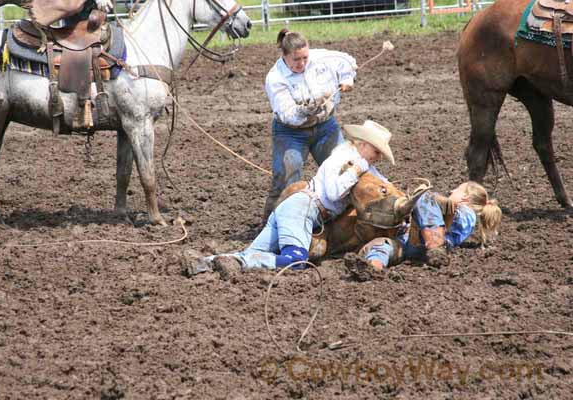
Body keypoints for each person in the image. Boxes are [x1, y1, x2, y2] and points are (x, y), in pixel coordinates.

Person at [185, 120, 395, 276]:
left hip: (296, 207)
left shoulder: (362, 165)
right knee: (295, 260)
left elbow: (383, 185)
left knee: (254, 253)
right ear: (363, 144)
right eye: (376, 151)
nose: (377, 157)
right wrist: (354, 172)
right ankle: (237, 264)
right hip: (303, 209)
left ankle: (205, 262)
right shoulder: (343, 159)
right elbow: (333, 193)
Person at [262, 28, 358, 221]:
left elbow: (347, 61)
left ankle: (348, 219)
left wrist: (347, 78)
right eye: (296, 60)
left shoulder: (321, 58)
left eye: (305, 57)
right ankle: (272, 223)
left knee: (342, 170)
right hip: (291, 133)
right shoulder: (275, 78)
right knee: (286, 177)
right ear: (284, 56)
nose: (302, 63)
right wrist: (305, 111)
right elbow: (288, 114)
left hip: (325, 126)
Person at [346, 181, 502, 278]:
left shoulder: (468, 215)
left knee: (425, 196)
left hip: (431, 243)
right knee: (381, 243)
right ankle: (374, 267)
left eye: (457, 190)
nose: (451, 191)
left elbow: (450, 212)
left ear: (465, 199)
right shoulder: (456, 215)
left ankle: (435, 245)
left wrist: (428, 197)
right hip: (410, 244)